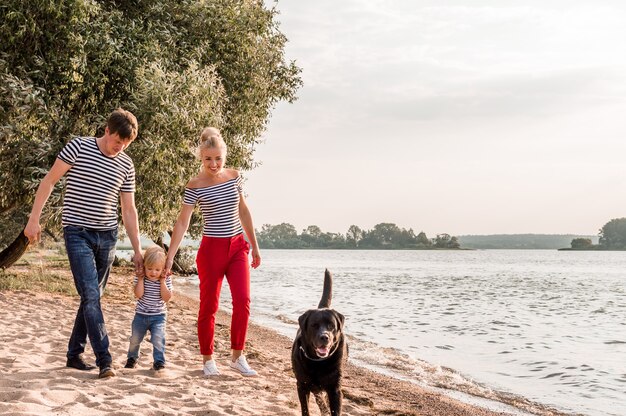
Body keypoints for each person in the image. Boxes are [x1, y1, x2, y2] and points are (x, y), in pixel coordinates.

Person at [24, 108, 143, 379]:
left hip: (108, 236)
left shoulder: (126, 164)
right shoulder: (79, 147)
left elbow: (129, 210)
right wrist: (34, 220)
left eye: (126, 145)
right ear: (107, 130)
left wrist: (137, 249)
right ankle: (105, 360)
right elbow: (49, 181)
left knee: (93, 296)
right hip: (77, 232)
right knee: (91, 294)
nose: (120, 148)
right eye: (118, 142)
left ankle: (74, 354)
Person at [164, 127, 261, 377]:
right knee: (209, 306)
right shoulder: (195, 185)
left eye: (218, 158)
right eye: (208, 158)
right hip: (211, 250)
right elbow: (183, 222)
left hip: (238, 246)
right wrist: (171, 255)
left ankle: (237, 357)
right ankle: (208, 361)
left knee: (243, 301)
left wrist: (255, 248)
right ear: (201, 157)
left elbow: (244, 211)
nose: (214, 163)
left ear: (224, 156)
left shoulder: (234, 176)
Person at [125, 246, 173, 372]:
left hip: (159, 316)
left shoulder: (166, 279)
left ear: (163, 269)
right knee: (135, 339)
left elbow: (167, 298)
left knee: (158, 339)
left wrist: (162, 282)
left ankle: (159, 362)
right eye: (150, 268)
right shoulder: (141, 278)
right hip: (141, 315)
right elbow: (138, 294)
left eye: (157, 269)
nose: (153, 272)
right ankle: (132, 358)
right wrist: (140, 279)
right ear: (144, 266)